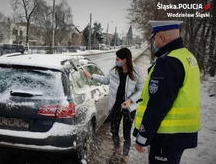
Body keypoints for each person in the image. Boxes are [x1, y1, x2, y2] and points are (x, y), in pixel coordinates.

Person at [133, 20, 201, 164]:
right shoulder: (187, 56)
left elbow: (158, 105)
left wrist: (143, 137)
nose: (154, 43)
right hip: (177, 134)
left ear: (161, 38)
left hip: (166, 135)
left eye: (154, 38)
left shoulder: (168, 62)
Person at [83, 47, 145, 161]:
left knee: (127, 131)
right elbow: (106, 80)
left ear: (125, 59)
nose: (116, 61)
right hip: (116, 105)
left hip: (129, 107)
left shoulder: (136, 72)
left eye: (118, 59)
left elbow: (141, 90)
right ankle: (117, 148)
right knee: (113, 129)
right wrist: (92, 76)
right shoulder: (114, 70)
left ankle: (125, 154)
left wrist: (130, 100)